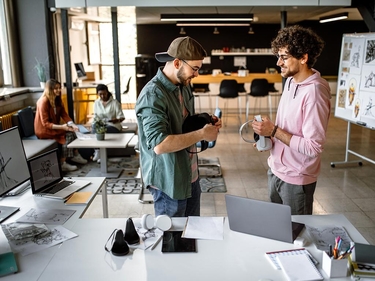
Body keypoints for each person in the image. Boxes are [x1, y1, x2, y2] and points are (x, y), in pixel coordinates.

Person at [135, 36, 222, 217]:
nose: (197, 74)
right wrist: (202, 134)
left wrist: (205, 120)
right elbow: (160, 145)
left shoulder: (184, 84)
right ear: (176, 63)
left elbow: (183, 123)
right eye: (195, 69)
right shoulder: (153, 95)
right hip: (169, 181)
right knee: (172, 241)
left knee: (191, 234)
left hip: (190, 174)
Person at [251, 25, 331, 215]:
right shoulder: (290, 81)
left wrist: (274, 131)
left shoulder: (315, 92)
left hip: (297, 178)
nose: (279, 62)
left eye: (284, 57)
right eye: (278, 56)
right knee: (277, 230)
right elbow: (287, 128)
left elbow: (313, 147)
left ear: (303, 58)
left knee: (296, 236)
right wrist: (269, 139)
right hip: (276, 170)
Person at [34, 79, 88, 172]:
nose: (59, 90)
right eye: (56, 88)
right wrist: (62, 127)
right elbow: (45, 124)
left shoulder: (57, 100)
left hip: (53, 127)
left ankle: (75, 154)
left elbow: (64, 114)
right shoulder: (43, 102)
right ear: (49, 89)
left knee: (72, 131)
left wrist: (72, 124)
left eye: (59, 88)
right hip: (44, 131)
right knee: (67, 135)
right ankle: (62, 163)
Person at [91, 84, 125, 162]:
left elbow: (122, 117)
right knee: (95, 127)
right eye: (100, 94)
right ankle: (98, 151)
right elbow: (96, 116)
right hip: (100, 124)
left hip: (113, 125)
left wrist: (115, 120)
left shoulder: (114, 102)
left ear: (107, 92)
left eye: (104, 94)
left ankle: (100, 154)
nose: (102, 96)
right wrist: (95, 123)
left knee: (102, 130)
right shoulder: (96, 103)